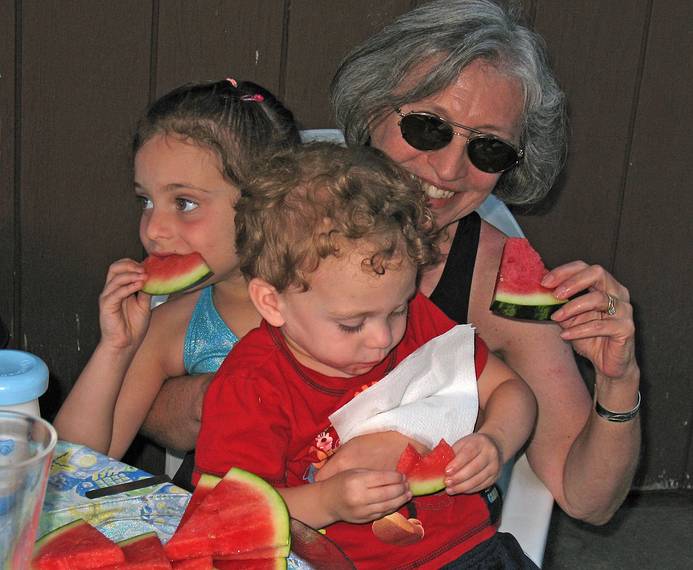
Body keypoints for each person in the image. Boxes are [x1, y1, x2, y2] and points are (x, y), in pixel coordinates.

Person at [324, 0, 640, 525]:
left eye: (489, 149)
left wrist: (619, 379)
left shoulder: (500, 278)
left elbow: (588, 499)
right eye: (429, 127)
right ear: (372, 109)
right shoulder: (280, 215)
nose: (449, 169)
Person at [196, 143, 539, 569]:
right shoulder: (251, 387)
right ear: (272, 302)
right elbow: (227, 515)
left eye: (396, 308)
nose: (382, 338)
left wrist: (495, 441)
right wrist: (327, 501)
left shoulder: (417, 320)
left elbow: (510, 390)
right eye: (351, 324)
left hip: (474, 552)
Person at [53, 78, 300, 459]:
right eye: (146, 201)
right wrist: (116, 347)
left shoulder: (337, 298)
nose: (152, 229)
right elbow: (73, 463)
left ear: (268, 200)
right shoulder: (174, 327)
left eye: (184, 203)